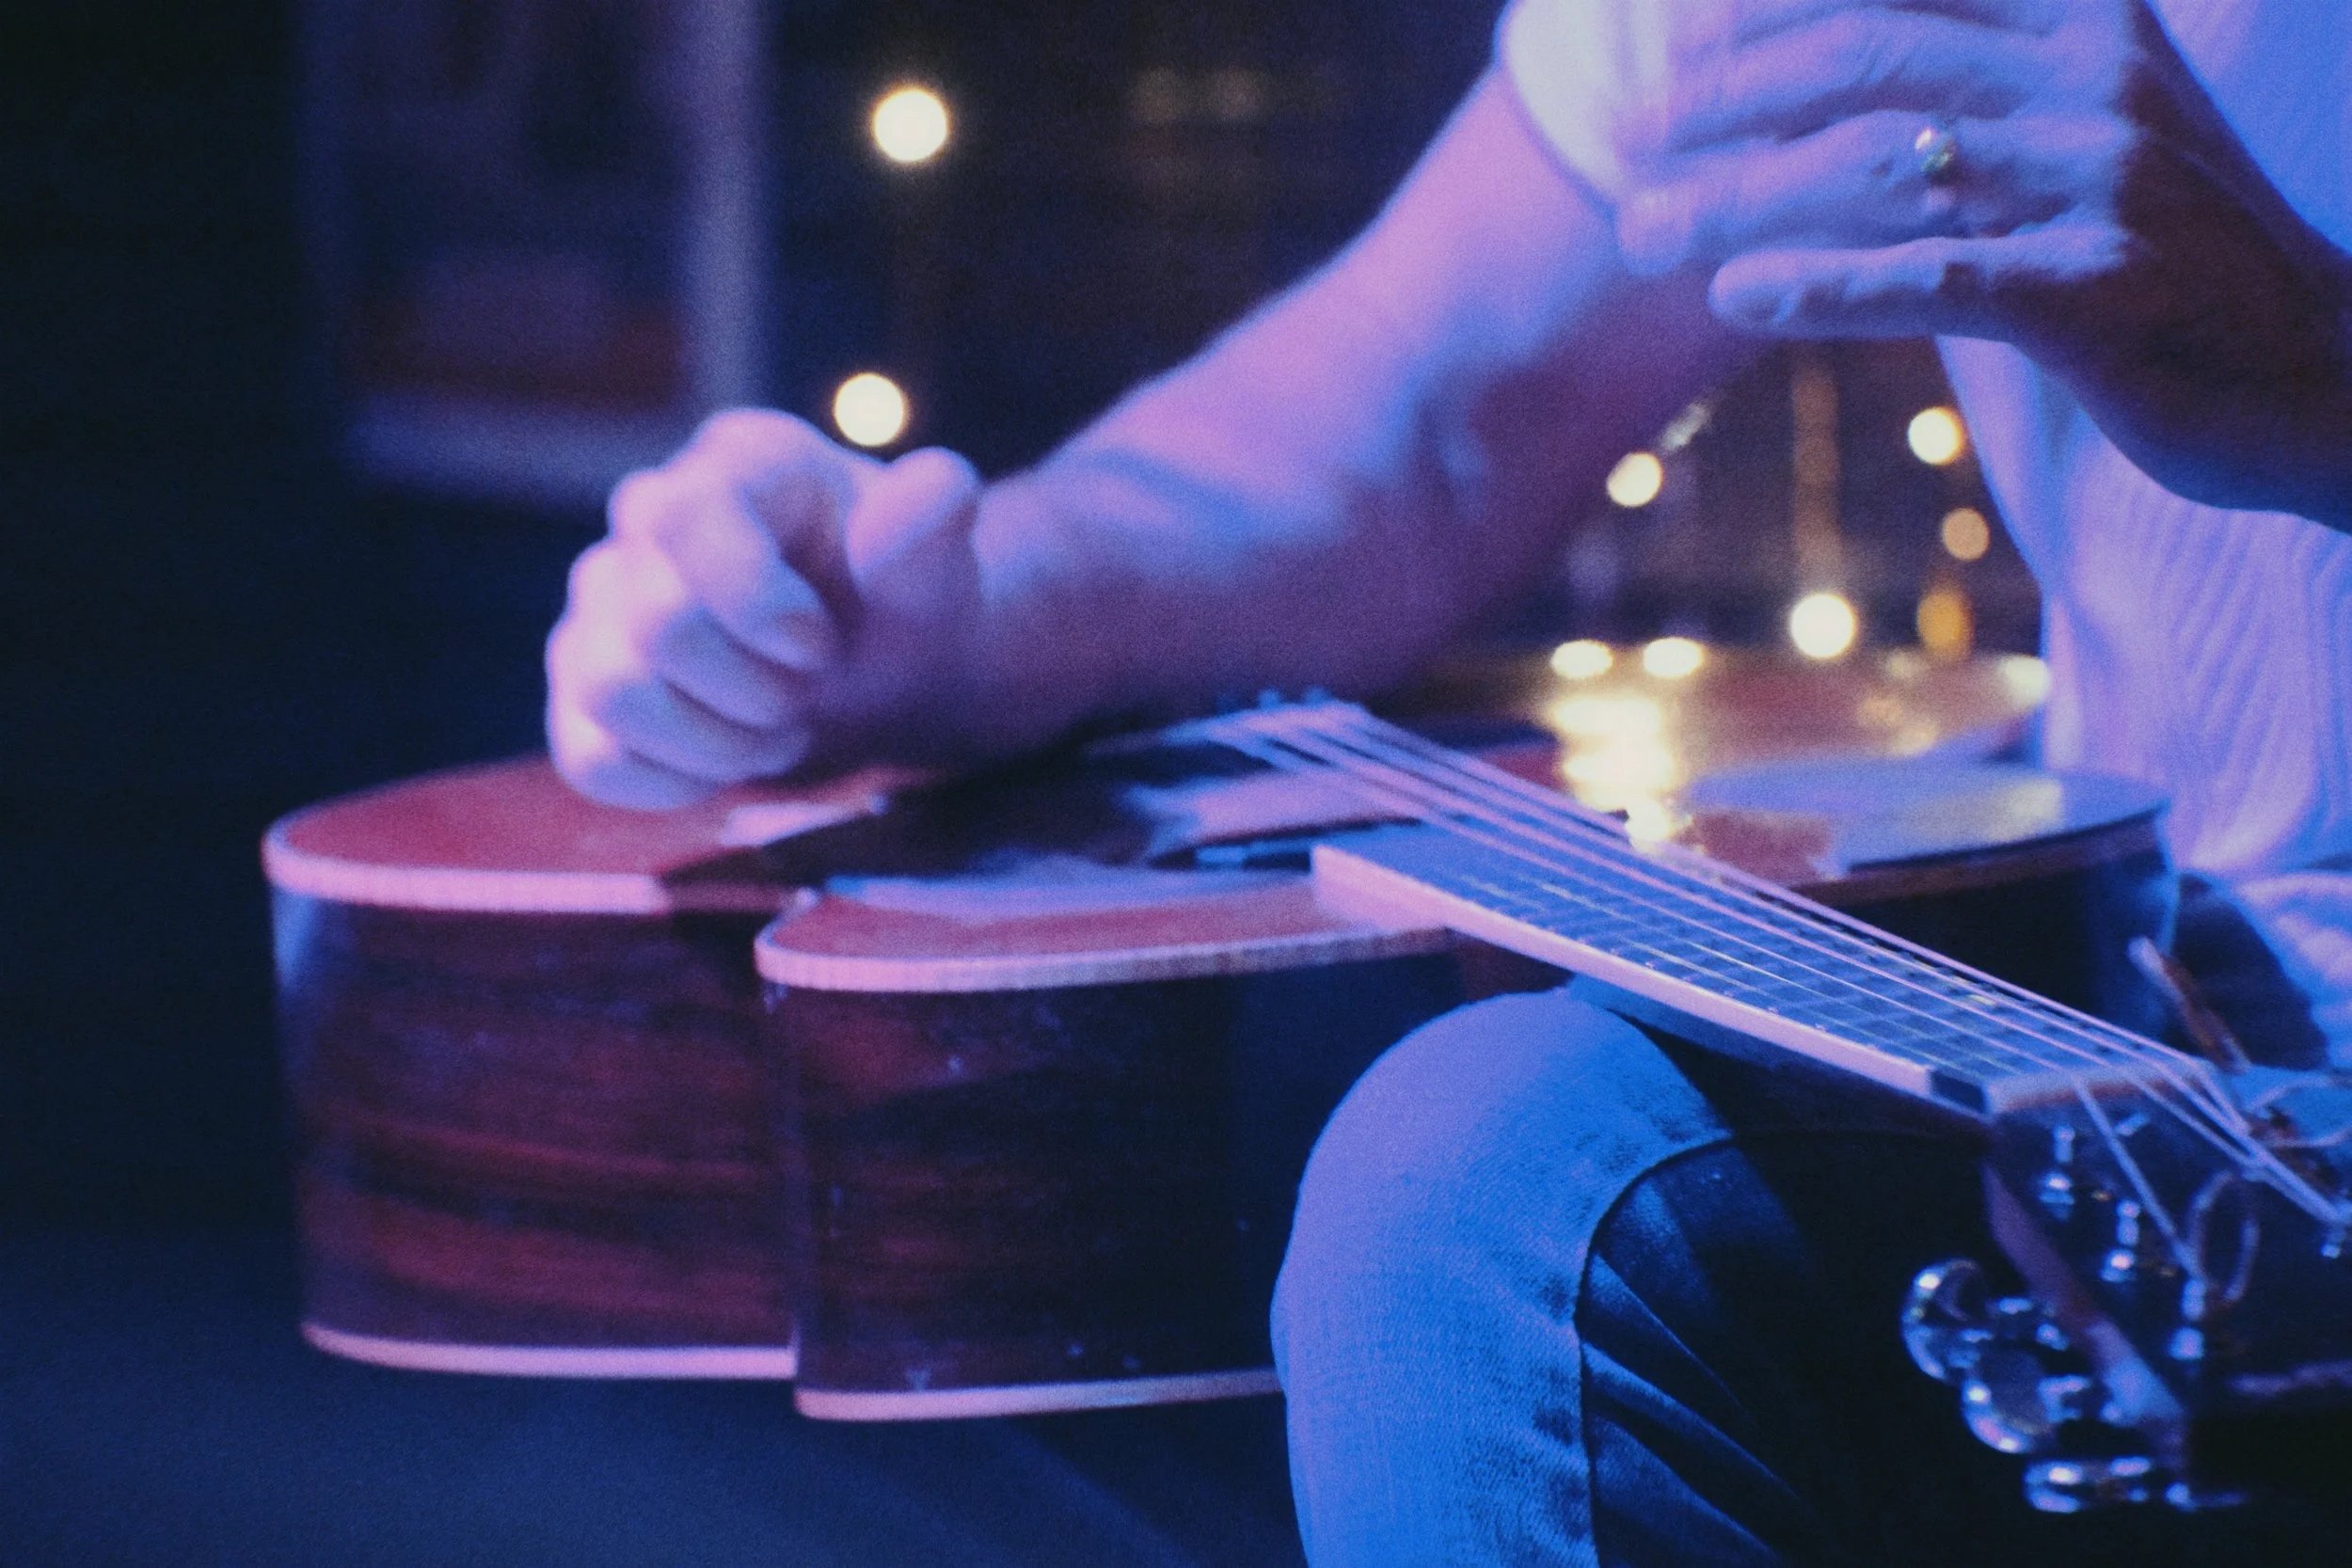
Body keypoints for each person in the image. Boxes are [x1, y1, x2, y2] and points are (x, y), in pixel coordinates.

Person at [546, 1, 2352, 1561]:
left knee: (1498, 1182)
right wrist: (926, 623)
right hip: (2170, 1027)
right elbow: (1413, 423)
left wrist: (2307, 362)